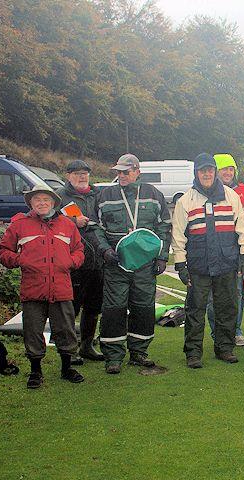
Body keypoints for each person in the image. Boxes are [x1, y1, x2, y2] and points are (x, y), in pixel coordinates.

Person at [91, 153, 172, 374]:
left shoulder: (153, 194)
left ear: (137, 172)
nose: (121, 175)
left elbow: (164, 226)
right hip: (116, 263)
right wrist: (105, 250)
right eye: (118, 172)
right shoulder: (104, 195)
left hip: (145, 264)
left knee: (143, 308)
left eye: (126, 172)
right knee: (114, 309)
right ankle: (113, 356)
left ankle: (139, 352)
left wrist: (163, 256)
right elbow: (94, 227)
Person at [0, 186, 85, 388]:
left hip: (61, 288)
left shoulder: (67, 225)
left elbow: (79, 250)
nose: (42, 203)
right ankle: (35, 371)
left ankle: (67, 368)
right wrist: (20, 259)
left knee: (65, 329)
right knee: (33, 330)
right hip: (33, 289)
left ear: (54, 202)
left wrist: (70, 262)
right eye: (37, 200)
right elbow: (3, 251)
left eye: (46, 199)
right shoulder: (19, 225)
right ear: (31, 203)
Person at [171, 153, 244, 369]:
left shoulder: (231, 196)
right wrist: (181, 265)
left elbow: (242, 227)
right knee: (195, 310)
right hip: (198, 266)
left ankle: (225, 348)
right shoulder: (185, 201)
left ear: (215, 172)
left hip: (227, 263)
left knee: (227, 308)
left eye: (210, 170)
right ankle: (193, 353)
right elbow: (178, 236)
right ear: (196, 173)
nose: (207, 174)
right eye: (202, 170)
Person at [56, 159, 103, 365]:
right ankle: (70, 349)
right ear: (68, 176)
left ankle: (87, 345)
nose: (82, 177)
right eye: (77, 173)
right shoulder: (60, 196)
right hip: (73, 261)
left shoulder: (98, 194)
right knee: (71, 307)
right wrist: (73, 221)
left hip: (98, 260)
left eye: (85, 173)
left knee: (93, 306)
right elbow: (49, 219)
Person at [206, 153, 244, 346]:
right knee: (212, 298)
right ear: (216, 171)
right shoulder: (204, 193)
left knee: (236, 294)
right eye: (224, 168)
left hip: (234, 254)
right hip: (211, 254)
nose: (228, 172)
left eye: (231, 169)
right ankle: (217, 332)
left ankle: (236, 330)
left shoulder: (242, 192)